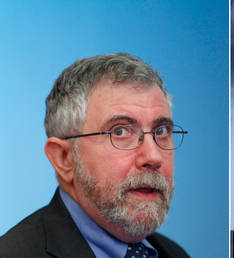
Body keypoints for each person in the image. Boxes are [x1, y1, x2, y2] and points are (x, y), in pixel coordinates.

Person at [0, 53, 189, 258]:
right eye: (120, 132)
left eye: (161, 131)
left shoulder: (174, 253)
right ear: (64, 158)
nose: (153, 157)